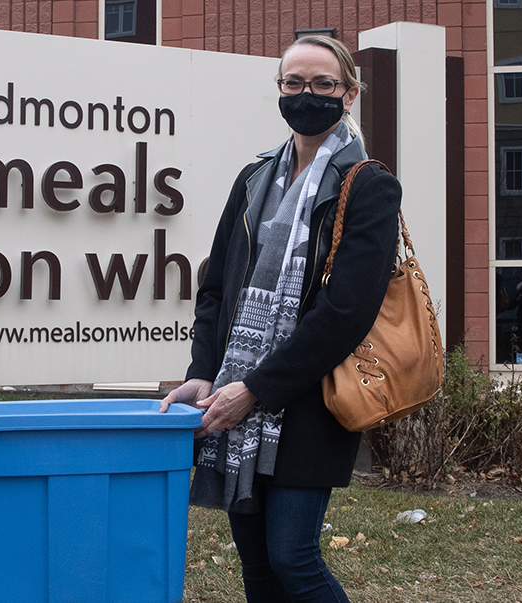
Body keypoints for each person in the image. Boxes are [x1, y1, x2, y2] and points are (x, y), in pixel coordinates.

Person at [161, 35, 402, 603]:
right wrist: (205, 371)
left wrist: (258, 389)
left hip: (310, 401)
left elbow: (346, 311)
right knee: (258, 569)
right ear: (279, 90)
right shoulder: (253, 179)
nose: (307, 94)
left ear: (349, 93)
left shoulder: (368, 185)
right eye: (294, 83)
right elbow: (216, 285)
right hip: (236, 397)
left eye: (323, 83)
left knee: (292, 557)